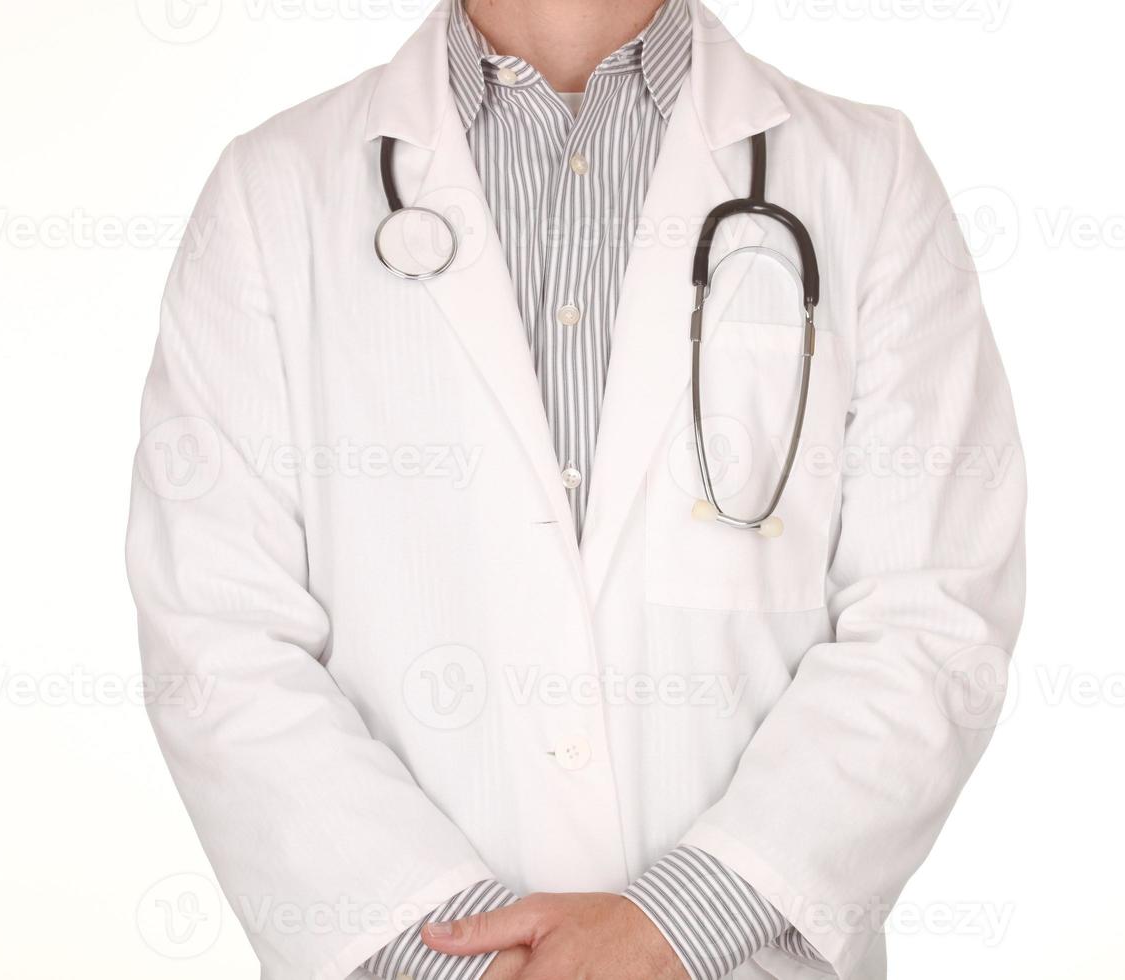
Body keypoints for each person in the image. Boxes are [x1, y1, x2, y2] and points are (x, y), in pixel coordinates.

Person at [125, 0, 1026, 977]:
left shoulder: (866, 177)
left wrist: (679, 923)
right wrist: (460, 954)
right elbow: (217, 633)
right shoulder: (274, 194)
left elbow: (934, 608)